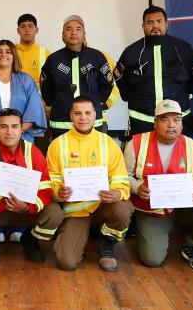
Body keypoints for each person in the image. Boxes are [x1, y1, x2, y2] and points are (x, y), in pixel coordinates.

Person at [124, 99, 193, 270]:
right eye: (164, 119)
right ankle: (144, 231)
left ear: (182, 124)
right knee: (152, 260)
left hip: (183, 208)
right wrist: (137, 187)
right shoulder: (136, 144)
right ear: (155, 123)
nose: (171, 125)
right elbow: (124, 175)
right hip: (151, 211)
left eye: (176, 120)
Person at [0, 108, 64, 265]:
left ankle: (30, 241)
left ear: (21, 129)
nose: (9, 132)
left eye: (14, 126)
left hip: (27, 212)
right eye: (4, 126)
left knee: (55, 213)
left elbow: (46, 190)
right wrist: (4, 204)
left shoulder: (34, 153)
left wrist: (26, 207)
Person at [48, 96, 133, 272]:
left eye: (88, 113)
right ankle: (82, 236)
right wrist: (58, 191)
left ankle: (107, 243)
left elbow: (120, 176)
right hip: (75, 212)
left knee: (122, 209)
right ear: (71, 115)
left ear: (95, 115)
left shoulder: (108, 143)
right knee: (67, 263)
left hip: (103, 206)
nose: (83, 117)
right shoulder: (57, 144)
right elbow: (52, 177)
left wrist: (117, 193)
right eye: (77, 113)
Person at [115, 5, 193, 136]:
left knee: (178, 157)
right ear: (143, 26)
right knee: (143, 157)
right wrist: (132, 97)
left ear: (166, 24)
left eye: (159, 21)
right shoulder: (131, 52)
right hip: (142, 122)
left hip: (177, 121)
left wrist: (188, 93)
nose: (155, 26)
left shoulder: (183, 49)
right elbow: (119, 77)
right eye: (150, 22)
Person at [41, 15, 115, 138]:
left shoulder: (97, 57)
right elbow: (46, 90)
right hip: (61, 123)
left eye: (78, 29)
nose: (73, 32)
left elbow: (107, 84)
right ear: (62, 34)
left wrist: (95, 102)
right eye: (69, 29)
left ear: (84, 34)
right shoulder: (53, 60)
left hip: (91, 123)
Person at [0, 39, 47, 147]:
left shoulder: (26, 80)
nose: (3, 54)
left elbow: (34, 110)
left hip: (21, 138)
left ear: (14, 56)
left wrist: (17, 133)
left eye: (8, 52)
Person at [14, 13, 50, 92]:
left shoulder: (46, 54)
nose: (26, 30)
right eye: (23, 26)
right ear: (18, 30)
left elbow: (51, 82)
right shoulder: (10, 52)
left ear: (36, 30)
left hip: (39, 101)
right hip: (15, 101)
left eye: (30, 26)